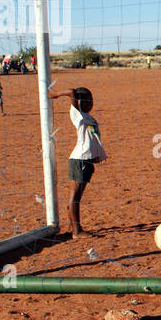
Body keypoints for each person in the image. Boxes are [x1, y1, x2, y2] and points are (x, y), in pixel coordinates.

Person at [47, 85, 106, 238]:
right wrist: (56, 94)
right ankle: (76, 231)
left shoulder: (88, 117)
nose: (91, 103)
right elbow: (71, 92)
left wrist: (98, 155)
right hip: (79, 160)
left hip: (86, 162)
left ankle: (73, 226)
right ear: (80, 103)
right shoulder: (77, 114)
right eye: (88, 100)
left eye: (92, 100)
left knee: (77, 196)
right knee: (75, 196)